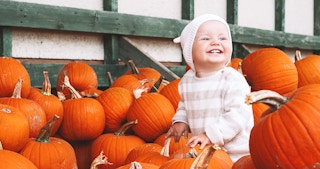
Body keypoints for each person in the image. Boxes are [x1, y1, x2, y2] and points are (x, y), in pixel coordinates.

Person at [166, 14, 254, 162]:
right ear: (189, 50)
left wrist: (210, 135)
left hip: (236, 154)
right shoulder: (187, 80)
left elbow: (238, 114)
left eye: (222, 38)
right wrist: (181, 121)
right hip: (205, 151)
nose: (215, 42)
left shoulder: (232, 79)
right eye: (206, 38)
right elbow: (184, 105)